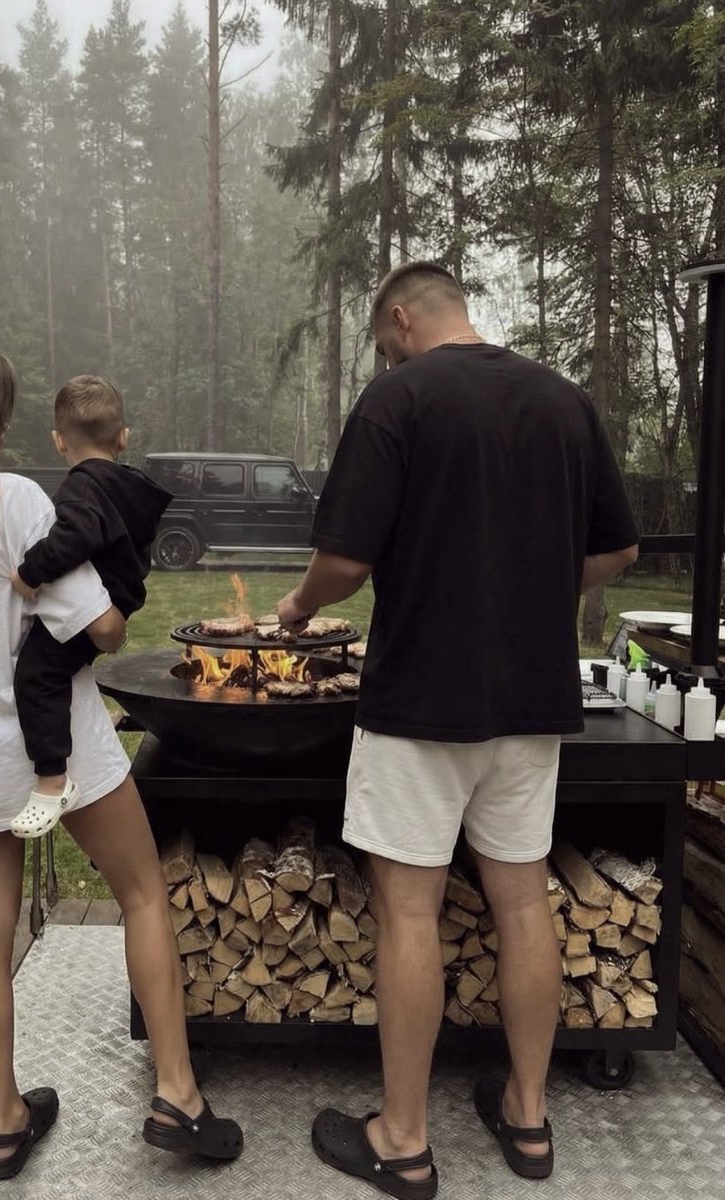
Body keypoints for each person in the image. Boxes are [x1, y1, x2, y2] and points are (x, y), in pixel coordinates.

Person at [276, 262, 639, 1199]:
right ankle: (526, 1115)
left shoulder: (399, 399)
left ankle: (402, 1141)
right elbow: (619, 548)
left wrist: (295, 607)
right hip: (534, 701)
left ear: (402, 318)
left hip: (421, 703)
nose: (386, 355)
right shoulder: (565, 402)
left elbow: (346, 561)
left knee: (408, 909)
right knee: (522, 903)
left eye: (383, 339)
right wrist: (537, 585)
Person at [0, 336, 242, 1182]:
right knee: (142, 893)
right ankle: (178, 1093)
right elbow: (98, 628)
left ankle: (4, 1124)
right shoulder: (14, 502)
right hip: (58, 757)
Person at [8, 375, 171, 839]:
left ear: (59, 441)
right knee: (63, 673)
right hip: (121, 601)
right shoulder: (130, 487)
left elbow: (75, 537)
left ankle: (52, 779)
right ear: (124, 438)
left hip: (92, 607)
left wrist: (29, 572)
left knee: (38, 675)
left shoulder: (82, 487)